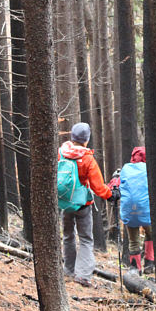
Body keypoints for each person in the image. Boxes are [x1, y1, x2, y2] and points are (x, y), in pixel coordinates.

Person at [58, 122, 119, 287]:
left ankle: (68, 270)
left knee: (68, 236)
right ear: (86, 140)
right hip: (83, 204)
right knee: (85, 238)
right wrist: (110, 195)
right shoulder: (87, 158)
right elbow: (98, 186)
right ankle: (83, 275)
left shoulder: (61, 153)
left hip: (65, 202)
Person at [119, 146, 154, 275]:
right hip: (146, 210)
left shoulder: (126, 168)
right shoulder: (149, 169)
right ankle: (149, 263)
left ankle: (135, 268)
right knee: (152, 234)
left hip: (129, 211)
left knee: (133, 240)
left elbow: (118, 184)